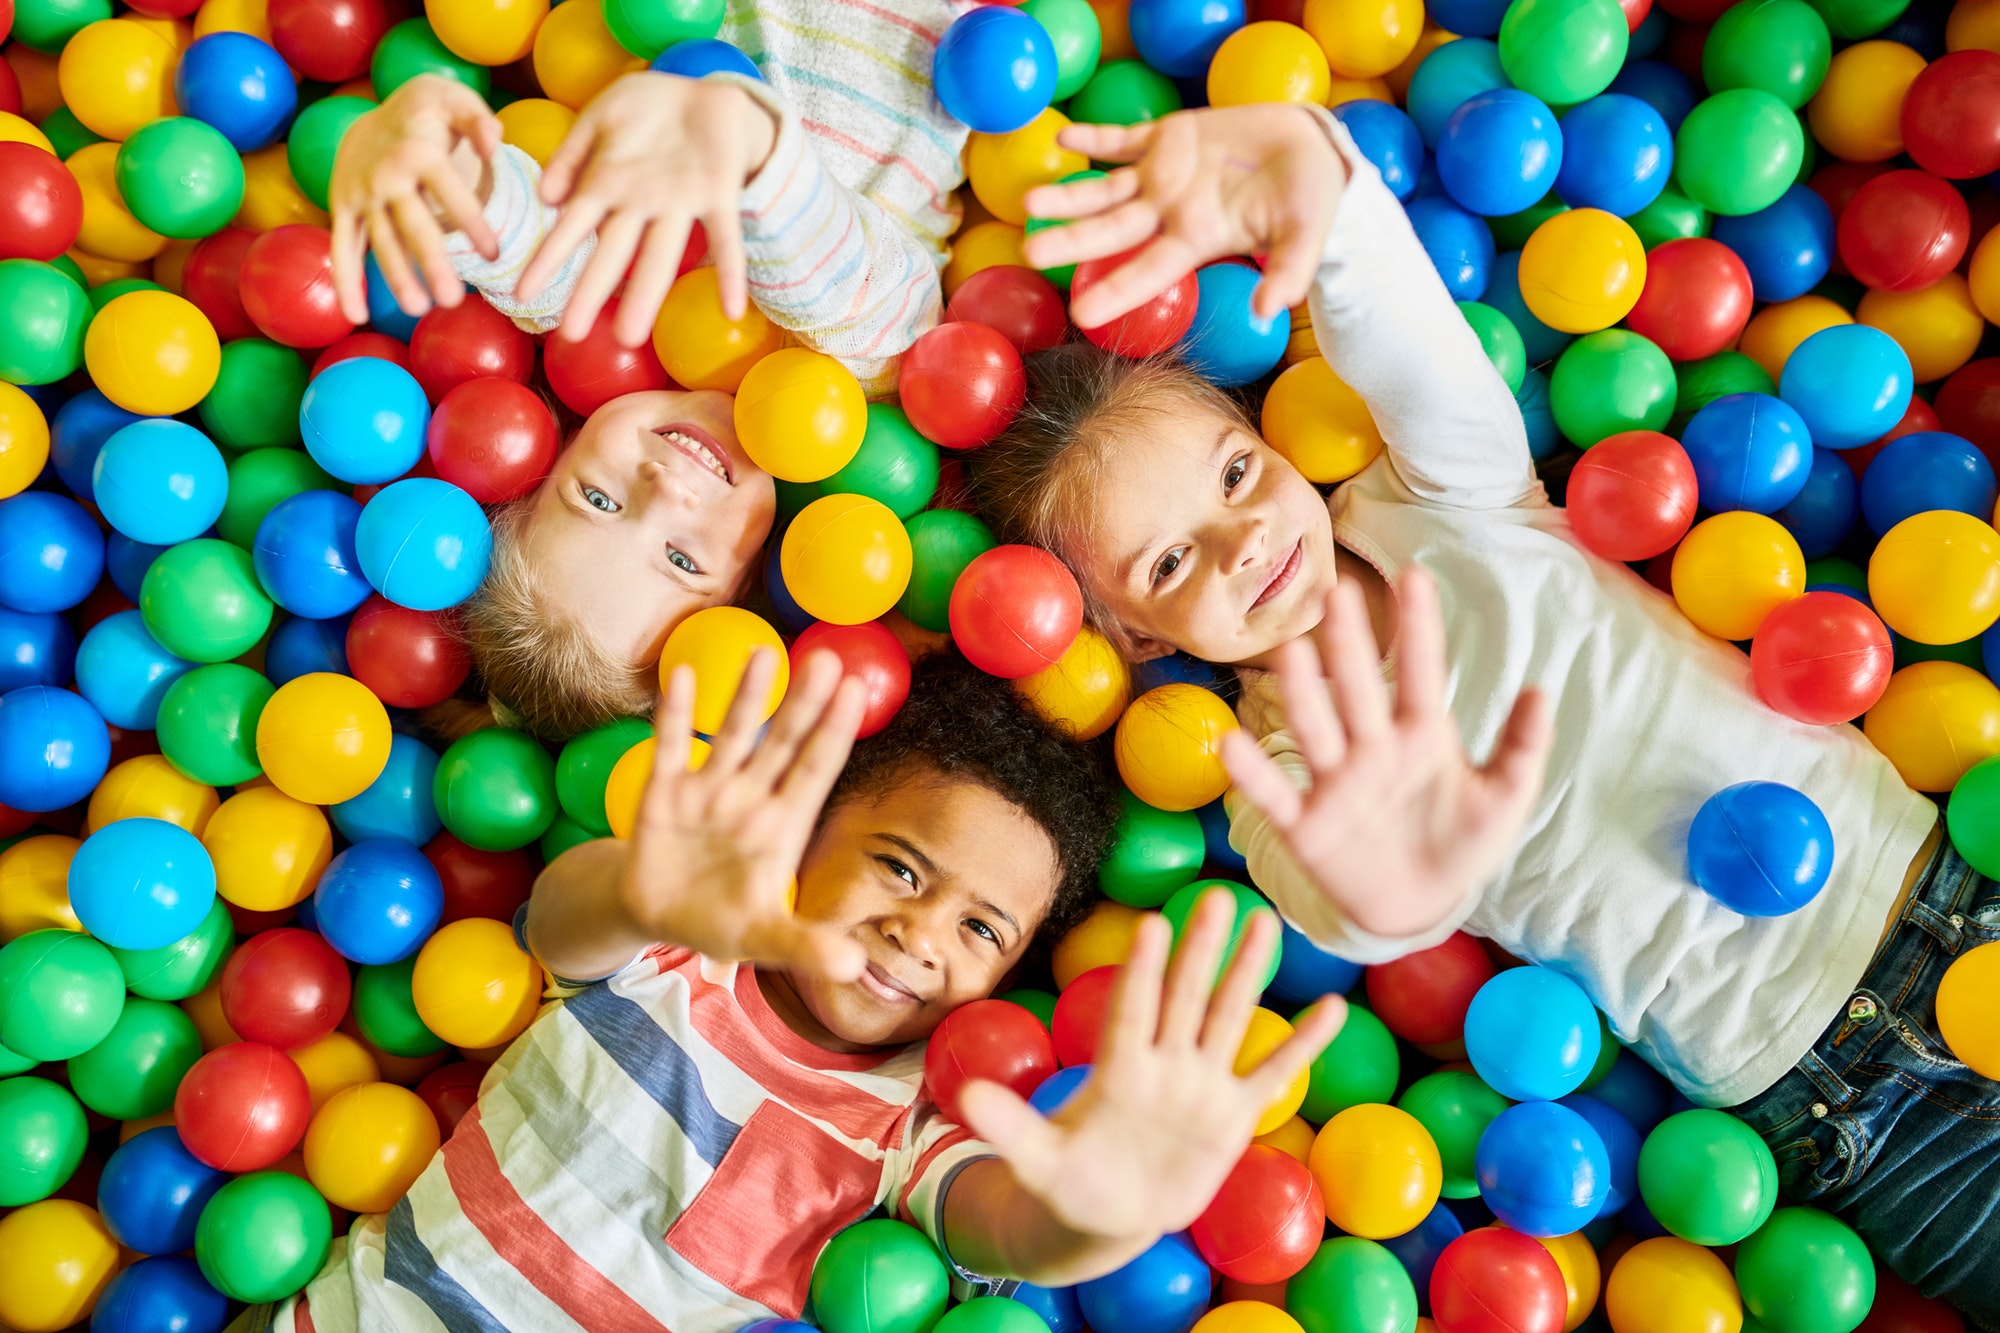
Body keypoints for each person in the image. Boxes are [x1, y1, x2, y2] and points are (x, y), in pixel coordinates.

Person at [969, 101, 1999, 1313]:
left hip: (1945, 880)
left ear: (1270, 441)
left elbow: (1400, 329)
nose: (1242, 542)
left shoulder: (1441, 500)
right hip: (1827, 1095)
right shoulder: (1273, 774)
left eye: (1237, 475)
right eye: (1168, 565)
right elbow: (1346, 902)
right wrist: (1394, 889)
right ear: (1137, 638)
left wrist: (1317, 185)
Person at [237, 649, 1359, 1332]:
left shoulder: (913, 1114)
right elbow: (562, 925)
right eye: (899, 866)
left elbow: (1000, 1221)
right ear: (808, 838)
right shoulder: (681, 951)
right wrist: (646, 888)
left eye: (978, 929)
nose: (917, 930)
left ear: (1006, 980)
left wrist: (1091, 1216)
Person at [327, 0, 970, 737]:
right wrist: (748, 151)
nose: (662, 489)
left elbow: (521, 245)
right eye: (680, 558)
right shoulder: (858, 381)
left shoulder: (618, 312)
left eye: (597, 499)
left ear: (552, 451)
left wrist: (428, 173)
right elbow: (850, 281)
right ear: (750, 587)